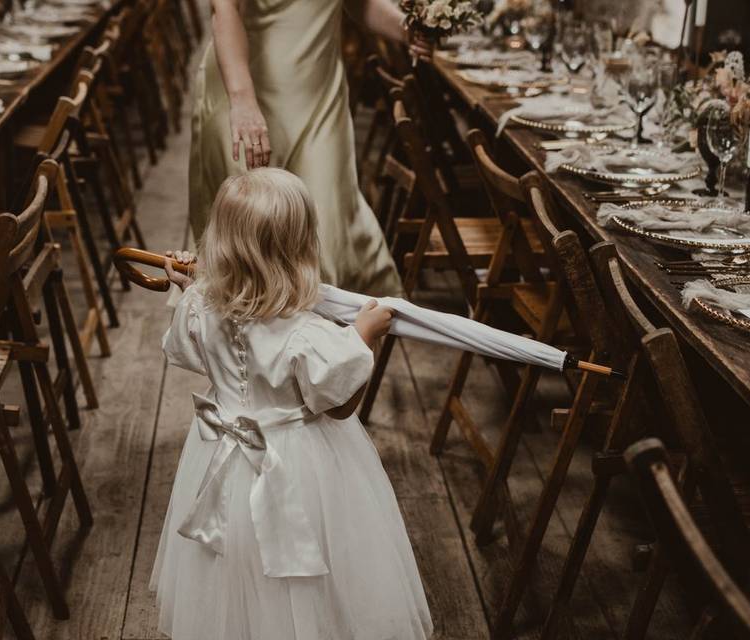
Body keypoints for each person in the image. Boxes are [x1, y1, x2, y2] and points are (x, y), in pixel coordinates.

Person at [151, 168, 432, 640]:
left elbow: (188, 349)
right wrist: (363, 337)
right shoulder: (309, 333)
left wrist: (189, 289)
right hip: (296, 462)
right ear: (300, 248)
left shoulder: (200, 305)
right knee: (305, 568)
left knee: (233, 559)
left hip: (219, 458)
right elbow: (339, 407)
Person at [188, 0, 431, 296]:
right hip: (244, 89)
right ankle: (239, 336)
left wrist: (407, 30)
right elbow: (225, 12)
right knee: (247, 240)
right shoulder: (242, 98)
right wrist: (242, 101)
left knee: (327, 231)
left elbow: (359, 5)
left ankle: (325, 335)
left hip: (318, 96)